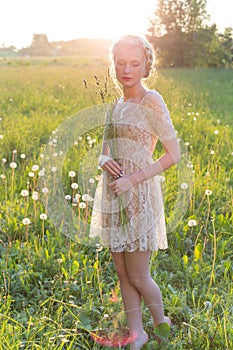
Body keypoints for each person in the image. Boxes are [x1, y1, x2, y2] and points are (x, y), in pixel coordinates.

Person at [90, 34, 181, 349]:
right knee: (122, 270)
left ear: (145, 67)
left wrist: (133, 178)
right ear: (113, 65)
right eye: (120, 63)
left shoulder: (151, 99)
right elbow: (104, 150)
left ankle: (161, 325)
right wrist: (105, 161)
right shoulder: (115, 105)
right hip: (114, 194)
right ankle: (137, 332)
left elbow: (173, 154)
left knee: (139, 274)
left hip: (139, 193)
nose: (126, 69)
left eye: (134, 63)